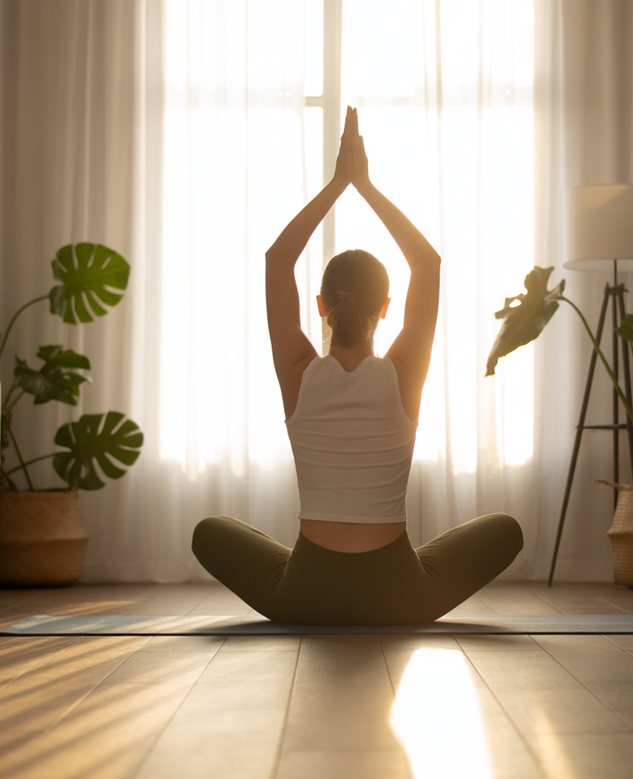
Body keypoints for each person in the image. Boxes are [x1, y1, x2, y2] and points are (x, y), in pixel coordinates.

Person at [192, 107, 522, 625]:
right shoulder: (401, 375)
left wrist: (336, 185)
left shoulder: (299, 373)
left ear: (320, 305)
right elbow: (428, 265)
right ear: (385, 308)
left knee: (208, 531)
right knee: (506, 528)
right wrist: (364, 185)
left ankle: (322, 586)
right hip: (401, 597)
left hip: (303, 595)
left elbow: (277, 260)